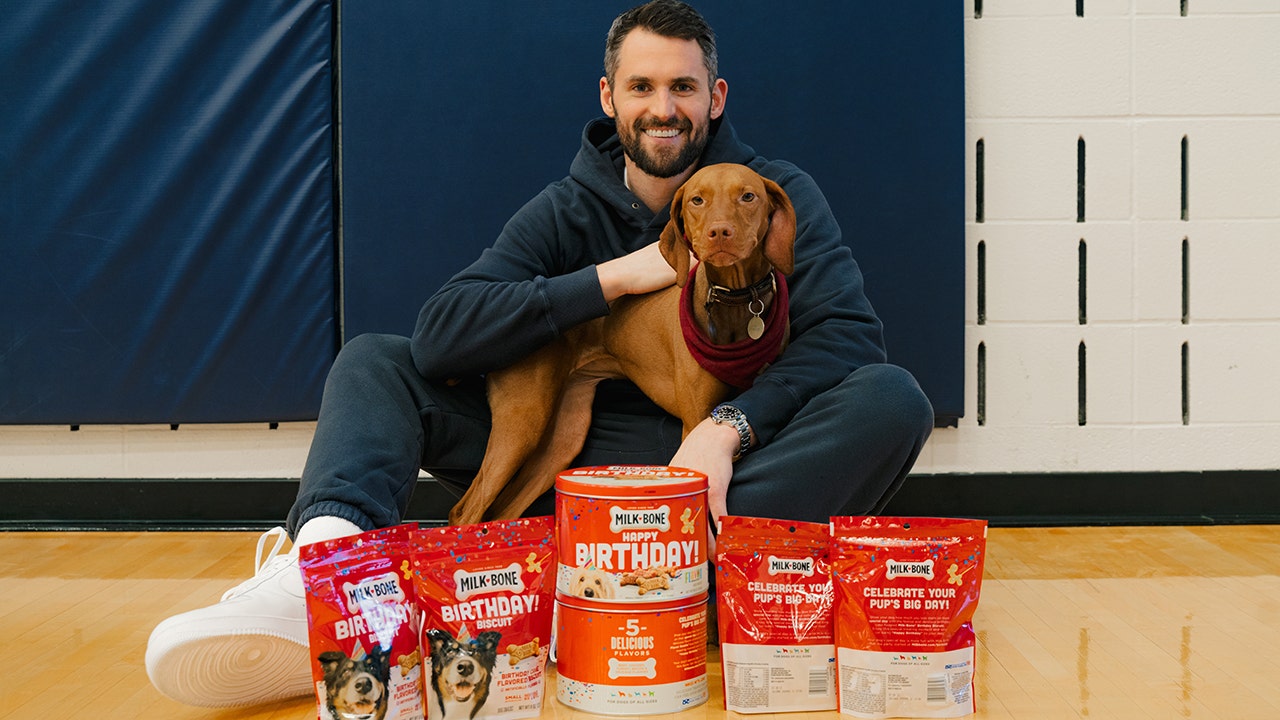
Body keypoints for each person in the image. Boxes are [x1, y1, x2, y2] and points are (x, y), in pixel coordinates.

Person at [145, 0, 934, 708]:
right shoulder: (565, 211)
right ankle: (323, 583)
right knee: (374, 360)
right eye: (642, 87)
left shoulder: (775, 193)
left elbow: (848, 334)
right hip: (571, 471)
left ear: (715, 98)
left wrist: (729, 428)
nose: (664, 108)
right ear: (609, 98)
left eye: (683, 88)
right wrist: (615, 278)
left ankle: (665, 585)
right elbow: (442, 333)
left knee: (893, 398)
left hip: (720, 479)